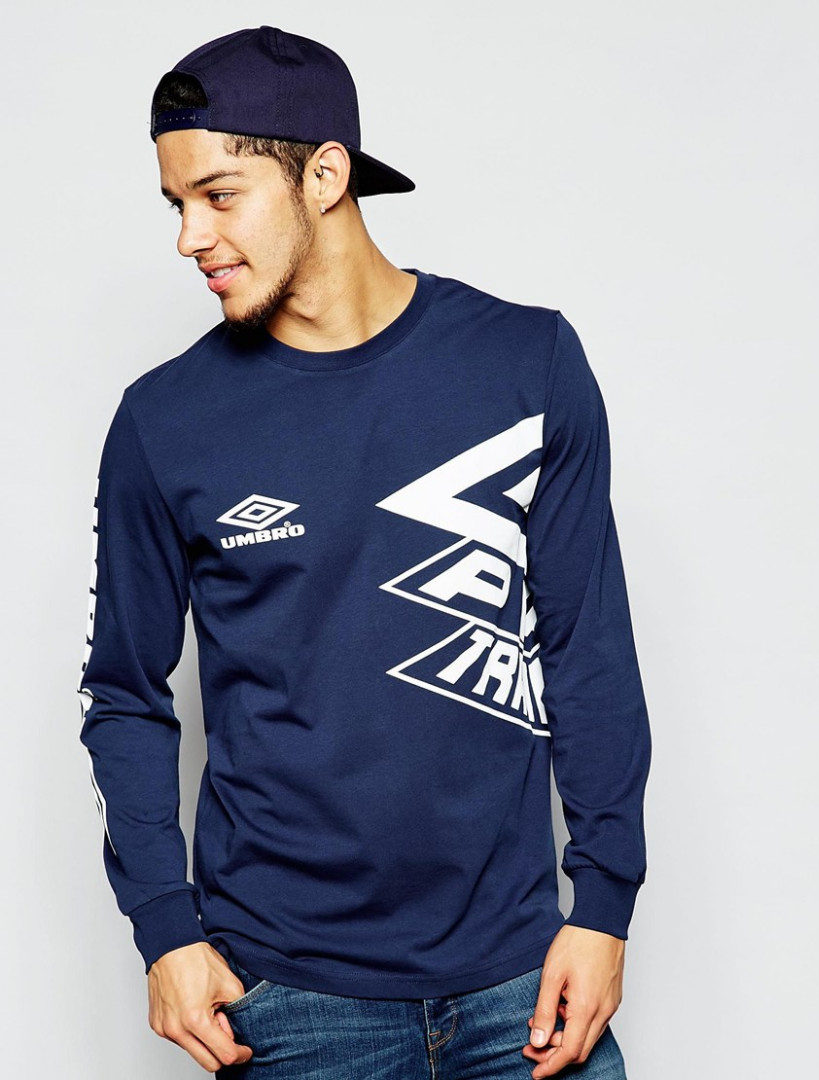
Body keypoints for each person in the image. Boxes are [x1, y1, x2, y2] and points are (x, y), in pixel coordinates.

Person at [76, 24, 652, 1080]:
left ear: (325, 176)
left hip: (523, 987)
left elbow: (589, 652)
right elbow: (123, 693)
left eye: (218, 195)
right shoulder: (166, 423)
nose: (189, 237)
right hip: (287, 999)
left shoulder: (527, 366)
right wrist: (164, 928)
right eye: (175, 204)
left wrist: (605, 904)